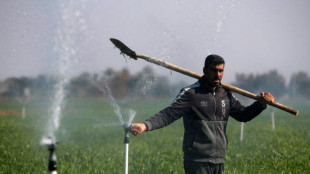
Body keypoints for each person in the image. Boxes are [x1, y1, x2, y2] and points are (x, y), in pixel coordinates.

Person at [130, 54, 275, 174]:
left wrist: (261, 104)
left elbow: (244, 115)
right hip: (197, 161)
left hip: (219, 159)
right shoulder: (191, 93)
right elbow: (169, 114)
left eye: (221, 71)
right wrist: (145, 125)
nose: (218, 75)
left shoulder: (226, 94)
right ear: (205, 70)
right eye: (214, 70)